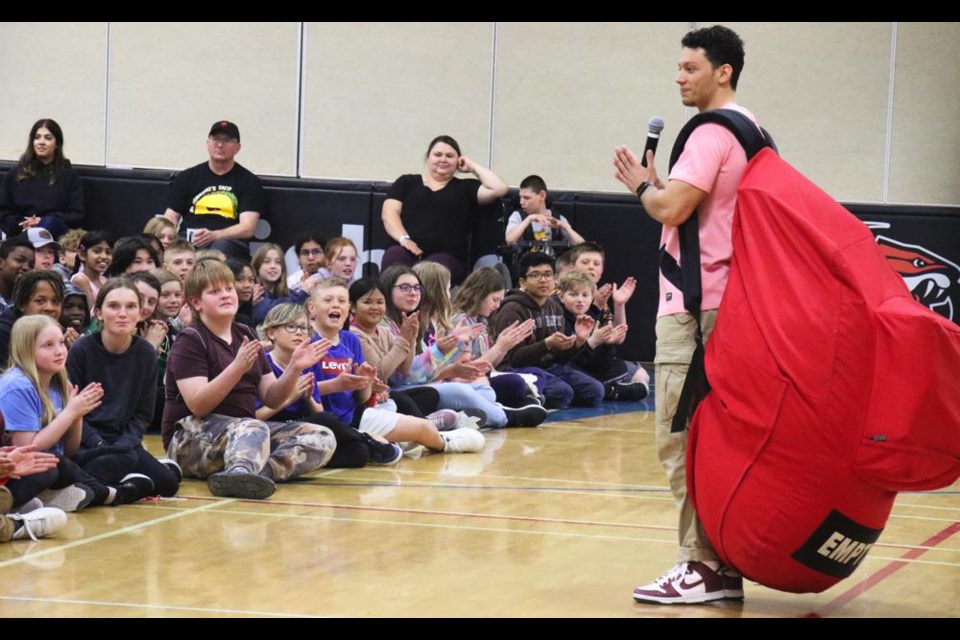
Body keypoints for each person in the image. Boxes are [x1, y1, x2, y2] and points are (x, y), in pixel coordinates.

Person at [613, 24, 755, 605]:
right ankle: (722, 565)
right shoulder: (754, 131)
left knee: (681, 437)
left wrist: (641, 187)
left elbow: (672, 206)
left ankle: (700, 566)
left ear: (722, 72)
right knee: (714, 440)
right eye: (678, 67)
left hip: (694, 310)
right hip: (731, 304)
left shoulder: (709, 133)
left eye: (691, 67)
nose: (680, 76)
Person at [161, 258, 336, 500]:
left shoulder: (244, 333)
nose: (226, 295)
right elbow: (198, 405)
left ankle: (255, 473)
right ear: (195, 302)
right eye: (215, 291)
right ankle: (240, 472)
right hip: (187, 440)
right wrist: (237, 366)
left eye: (228, 289)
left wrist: (295, 366)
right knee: (253, 426)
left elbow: (272, 398)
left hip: (243, 435)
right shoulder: (191, 340)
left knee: (321, 436)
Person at [309, 277, 485, 455]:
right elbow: (301, 393)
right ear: (312, 308)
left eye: (341, 301)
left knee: (423, 426)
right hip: (323, 421)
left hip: (356, 415)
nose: (336, 305)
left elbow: (364, 396)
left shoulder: (350, 340)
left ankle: (444, 442)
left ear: (348, 308)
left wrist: (366, 383)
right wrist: (339, 385)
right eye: (328, 300)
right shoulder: (307, 342)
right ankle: (391, 442)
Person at [66, 278, 180, 501]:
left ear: (139, 313)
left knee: (168, 484)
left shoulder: (145, 353)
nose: (122, 313)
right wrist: (99, 443)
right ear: (99, 313)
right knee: (100, 466)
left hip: (124, 444)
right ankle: (125, 486)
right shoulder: (82, 350)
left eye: (130, 307)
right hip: (87, 442)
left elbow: (142, 414)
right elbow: (73, 410)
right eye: (113, 306)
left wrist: (124, 444)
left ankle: (116, 486)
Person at [256, 303, 402, 467]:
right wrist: (290, 397)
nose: (299, 332)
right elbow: (255, 417)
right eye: (290, 327)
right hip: (274, 429)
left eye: (303, 328)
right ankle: (363, 437)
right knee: (328, 422)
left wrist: (309, 397)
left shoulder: (307, 364)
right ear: (271, 332)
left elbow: (318, 412)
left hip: (305, 428)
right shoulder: (264, 363)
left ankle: (303, 460)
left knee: (359, 453)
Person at [380, 135, 508, 283]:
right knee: (394, 261)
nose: (443, 159)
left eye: (450, 156)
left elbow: (499, 188)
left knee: (430, 272)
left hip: (447, 255)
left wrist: (472, 166)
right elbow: (389, 214)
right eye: (437, 154)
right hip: (405, 247)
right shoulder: (406, 182)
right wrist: (404, 240)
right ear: (427, 158)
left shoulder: (466, 188)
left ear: (458, 161)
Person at [490, 252, 604, 408]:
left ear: (555, 279)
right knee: (562, 393)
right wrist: (547, 344)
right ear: (523, 282)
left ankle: (538, 395)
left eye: (548, 274)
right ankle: (525, 397)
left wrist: (578, 341)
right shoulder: (512, 309)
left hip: (547, 367)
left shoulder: (555, 308)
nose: (543, 280)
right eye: (535, 275)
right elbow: (514, 359)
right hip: (517, 369)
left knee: (595, 391)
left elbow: (558, 358)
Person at [162, 121, 265, 260]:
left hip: (228, 241)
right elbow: (170, 217)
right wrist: (166, 238)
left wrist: (215, 235)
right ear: (207, 143)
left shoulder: (248, 181)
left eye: (227, 140)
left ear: (237, 148)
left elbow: (247, 228)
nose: (220, 145)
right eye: (215, 139)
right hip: (189, 238)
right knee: (176, 249)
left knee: (220, 249)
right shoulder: (187, 177)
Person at [554, 271, 649, 400]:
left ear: (592, 296)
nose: (580, 300)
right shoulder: (559, 318)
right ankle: (612, 391)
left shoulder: (593, 316)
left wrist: (608, 344)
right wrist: (591, 342)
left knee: (639, 375)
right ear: (561, 296)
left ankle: (608, 387)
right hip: (571, 369)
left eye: (585, 295)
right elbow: (570, 362)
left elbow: (598, 361)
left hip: (592, 368)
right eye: (573, 295)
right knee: (580, 381)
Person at [0, 119, 84, 239]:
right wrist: (23, 224)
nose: (41, 142)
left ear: (57, 144)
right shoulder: (16, 173)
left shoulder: (69, 175)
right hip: (21, 231)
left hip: (55, 234)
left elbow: (76, 214)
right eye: (37, 137)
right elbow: (3, 211)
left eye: (48, 138)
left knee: (47, 224)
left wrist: (42, 221)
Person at [505, 175, 585, 253]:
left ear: (542, 195)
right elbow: (510, 240)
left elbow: (583, 248)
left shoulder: (557, 218)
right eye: (520, 197)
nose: (521, 202)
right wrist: (529, 219)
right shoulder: (517, 216)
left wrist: (565, 227)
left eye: (526, 198)